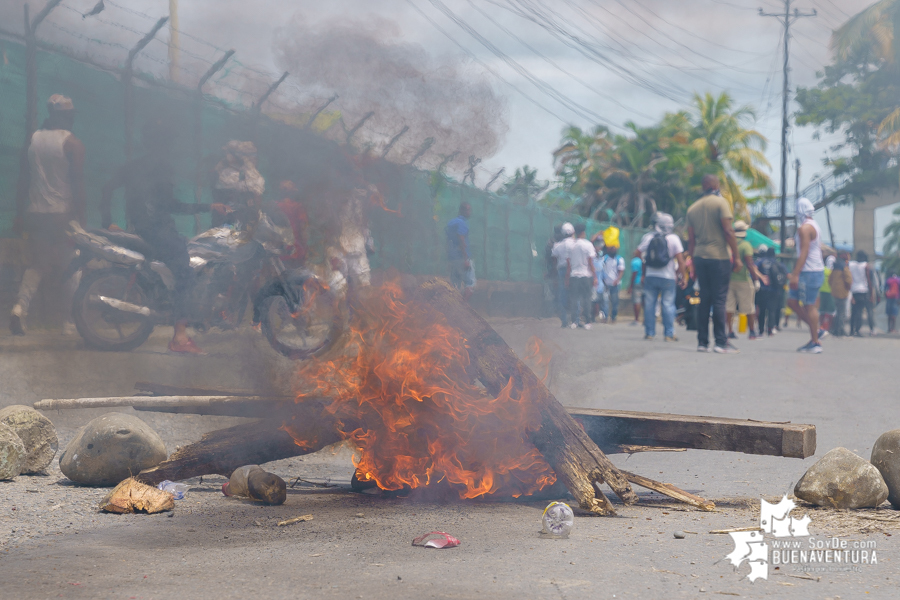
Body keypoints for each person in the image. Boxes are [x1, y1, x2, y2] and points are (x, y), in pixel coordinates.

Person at [100, 117, 213, 354]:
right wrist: (207, 207)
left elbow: (107, 188)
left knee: (181, 260)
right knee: (185, 272)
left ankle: (175, 306)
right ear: (165, 143)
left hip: (141, 229)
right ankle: (180, 337)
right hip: (159, 232)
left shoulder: (133, 166)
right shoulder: (162, 167)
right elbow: (172, 205)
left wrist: (107, 222)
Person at [10, 95, 86, 336]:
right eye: (69, 115)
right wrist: (81, 219)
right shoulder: (73, 144)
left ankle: (20, 309)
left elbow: (23, 179)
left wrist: (18, 213)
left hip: (35, 214)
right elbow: (78, 185)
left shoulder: (32, 140)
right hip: (62, 216)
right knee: (73, 264)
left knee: (38, 265)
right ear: (62, 115)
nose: (71, 118)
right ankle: (68, 321)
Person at [686, 174, 740, 354]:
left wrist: (692, 264)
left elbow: (691, 240)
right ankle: (720, 342)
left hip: (700, 257)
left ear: (703, 187)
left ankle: (702, 342)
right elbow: (729, 231)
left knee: (704, 299)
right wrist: (737, 256)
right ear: (716, 185)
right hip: (719, 257)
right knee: (719, 300)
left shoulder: (692, 208)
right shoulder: (721, 203)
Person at [637, 212, 686, 341]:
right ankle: (669, 334)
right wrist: (683, 277)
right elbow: (681, 261)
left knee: (649, 305)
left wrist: (645, 269)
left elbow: (638, 253)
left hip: (650, 276)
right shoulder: (674, 238)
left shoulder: (648, 237)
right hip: (668, 277)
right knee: (668, 305)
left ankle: (649, 333)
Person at [787, 197, 826, 353]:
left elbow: (804, 252)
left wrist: (795, 274)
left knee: (809, 305)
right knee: (792, 301)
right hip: (813, 270)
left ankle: (815, 342)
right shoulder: (813, 225)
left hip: (809, 271)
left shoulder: (804, 229)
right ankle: (817, 330)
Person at [726, 221, 768, 341]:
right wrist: (756, 280)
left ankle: (729, 331)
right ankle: (752, 331)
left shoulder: (729, 245)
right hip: (743, 279)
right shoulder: (746, 245)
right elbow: (750, 264)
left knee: (729, 307)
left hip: (729, 279)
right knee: (749, 307)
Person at [566, 222, 597, 330]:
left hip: (574, 275)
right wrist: (595, 277)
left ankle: (574, 321)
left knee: (574, 299)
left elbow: (568, 264)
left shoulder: (571, 246)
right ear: (583, 232)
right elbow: (590, 262)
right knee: (586, 299)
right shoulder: (588, 244)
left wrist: (567, 278)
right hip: (586, 275)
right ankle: (587, 321)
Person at [275, 180, 309, 269]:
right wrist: (306, 249)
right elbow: (303, 230)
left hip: (279, 252)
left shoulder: (274, 206)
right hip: (296, 251)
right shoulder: (298, 207)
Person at [446, 202, 475, 300]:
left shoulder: (451, 223)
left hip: (452, 258)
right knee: (470, 284)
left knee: (455, 286)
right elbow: (461, 239)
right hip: (462, 257)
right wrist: (466, 259)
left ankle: (453, 309)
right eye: (467, 210)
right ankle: (462, 309)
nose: (469, 212)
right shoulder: (462, 223)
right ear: (462, 210)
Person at [755, 246, 785, 336]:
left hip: (763, 289)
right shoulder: (777, 263)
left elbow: (753, 268)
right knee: (772, 310)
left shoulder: (761, 261)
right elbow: (785, 273)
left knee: (762, 309)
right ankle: (770, 329)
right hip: (774, 290)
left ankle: (760, 329)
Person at [551, 223, 575, 326]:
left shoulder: (557, 245)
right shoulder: (576, 244)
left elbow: (554, 260)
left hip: (561, 270)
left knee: (563, 294)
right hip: (574, 270)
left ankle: (564, 320)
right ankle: (575, 320)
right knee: (574, 295)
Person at [849, 250, 876, 337]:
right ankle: (861, 330)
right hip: (864, 291)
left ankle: (852, 330)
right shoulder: (866, 266)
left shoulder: (851, 265)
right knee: (864, 311)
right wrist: (871, 293)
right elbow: (869, 280)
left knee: (854, 311)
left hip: (854, 291)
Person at [599, 243, 625, 323]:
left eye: (614, 249)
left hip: (615, 284)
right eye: (611, 248)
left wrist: (617, 280)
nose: (613, 250)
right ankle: (605, 317)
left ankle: (613, 317)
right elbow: (601, 270)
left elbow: (621, 271)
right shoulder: (604, 259)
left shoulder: (619, 259)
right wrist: (603, 281)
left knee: (615, 301)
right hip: (606, 283)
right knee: (605, 301)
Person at [828, 251, 852, 337]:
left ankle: (834, 329)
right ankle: (840, 330)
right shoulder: (844, 267)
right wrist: (848, 289)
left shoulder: (834, 267)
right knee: (842, 312)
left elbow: (830, 280)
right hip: (842, 292)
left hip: (834, 291)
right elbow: (848, 279)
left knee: (837, 311)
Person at [817, 254, 836, 338]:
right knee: (830, 311)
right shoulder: (834, 271)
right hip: (830, 292)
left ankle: (821, 326)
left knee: (822, 311)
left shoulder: (822, 269)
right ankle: (828, 327)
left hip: (822, 291)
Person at [591, 238, 606, 322]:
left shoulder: (602, 260)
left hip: (601, 284)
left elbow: (604, 273)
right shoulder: (592, 260)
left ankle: (602, 316)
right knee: (594, 301)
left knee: (601, 301)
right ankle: (593, 317)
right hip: (593, 284)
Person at [628, 249, 643, 326]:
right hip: (644, 282)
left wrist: (630, 286)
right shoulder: (643, 261)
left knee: (637, 301)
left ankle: (637, 319)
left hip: (637, 282)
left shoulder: (635, 261)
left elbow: (634, 273)